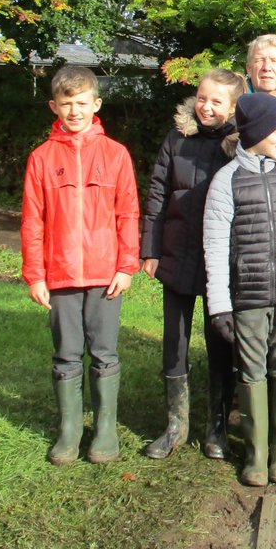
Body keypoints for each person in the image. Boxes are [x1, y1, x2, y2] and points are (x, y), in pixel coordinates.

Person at [21, 65, 139, 466]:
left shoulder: (116, 155)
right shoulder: (40, 159)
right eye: (66, 104)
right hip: (60, 275)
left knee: (104, 353)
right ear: (54, 106)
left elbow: (128, 214)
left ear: (96, 104)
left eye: (82, 103)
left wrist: (126, 266)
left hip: (106, 275)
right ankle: (69, 431)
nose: (74, 111)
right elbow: (32, 220)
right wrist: (35, 274)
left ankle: (105, 429)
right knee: (66, 353)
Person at [139, 68, 245, 461]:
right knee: (176, 340)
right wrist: (150, 248)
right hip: (178, 253)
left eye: (217, 101)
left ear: (233, 106)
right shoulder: (176, 139)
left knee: (220, 342)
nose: (206, 106)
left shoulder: (241, 144)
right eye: (202, 98)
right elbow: (157, 194)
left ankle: (216, 426)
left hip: (222, 261)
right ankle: (175, 424)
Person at [203, 93, 276, 486]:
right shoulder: (226, 181)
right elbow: (215, 246)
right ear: (258, 132)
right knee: (253, 371)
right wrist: (219, 305)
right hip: (247, 299)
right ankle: (256, 455)